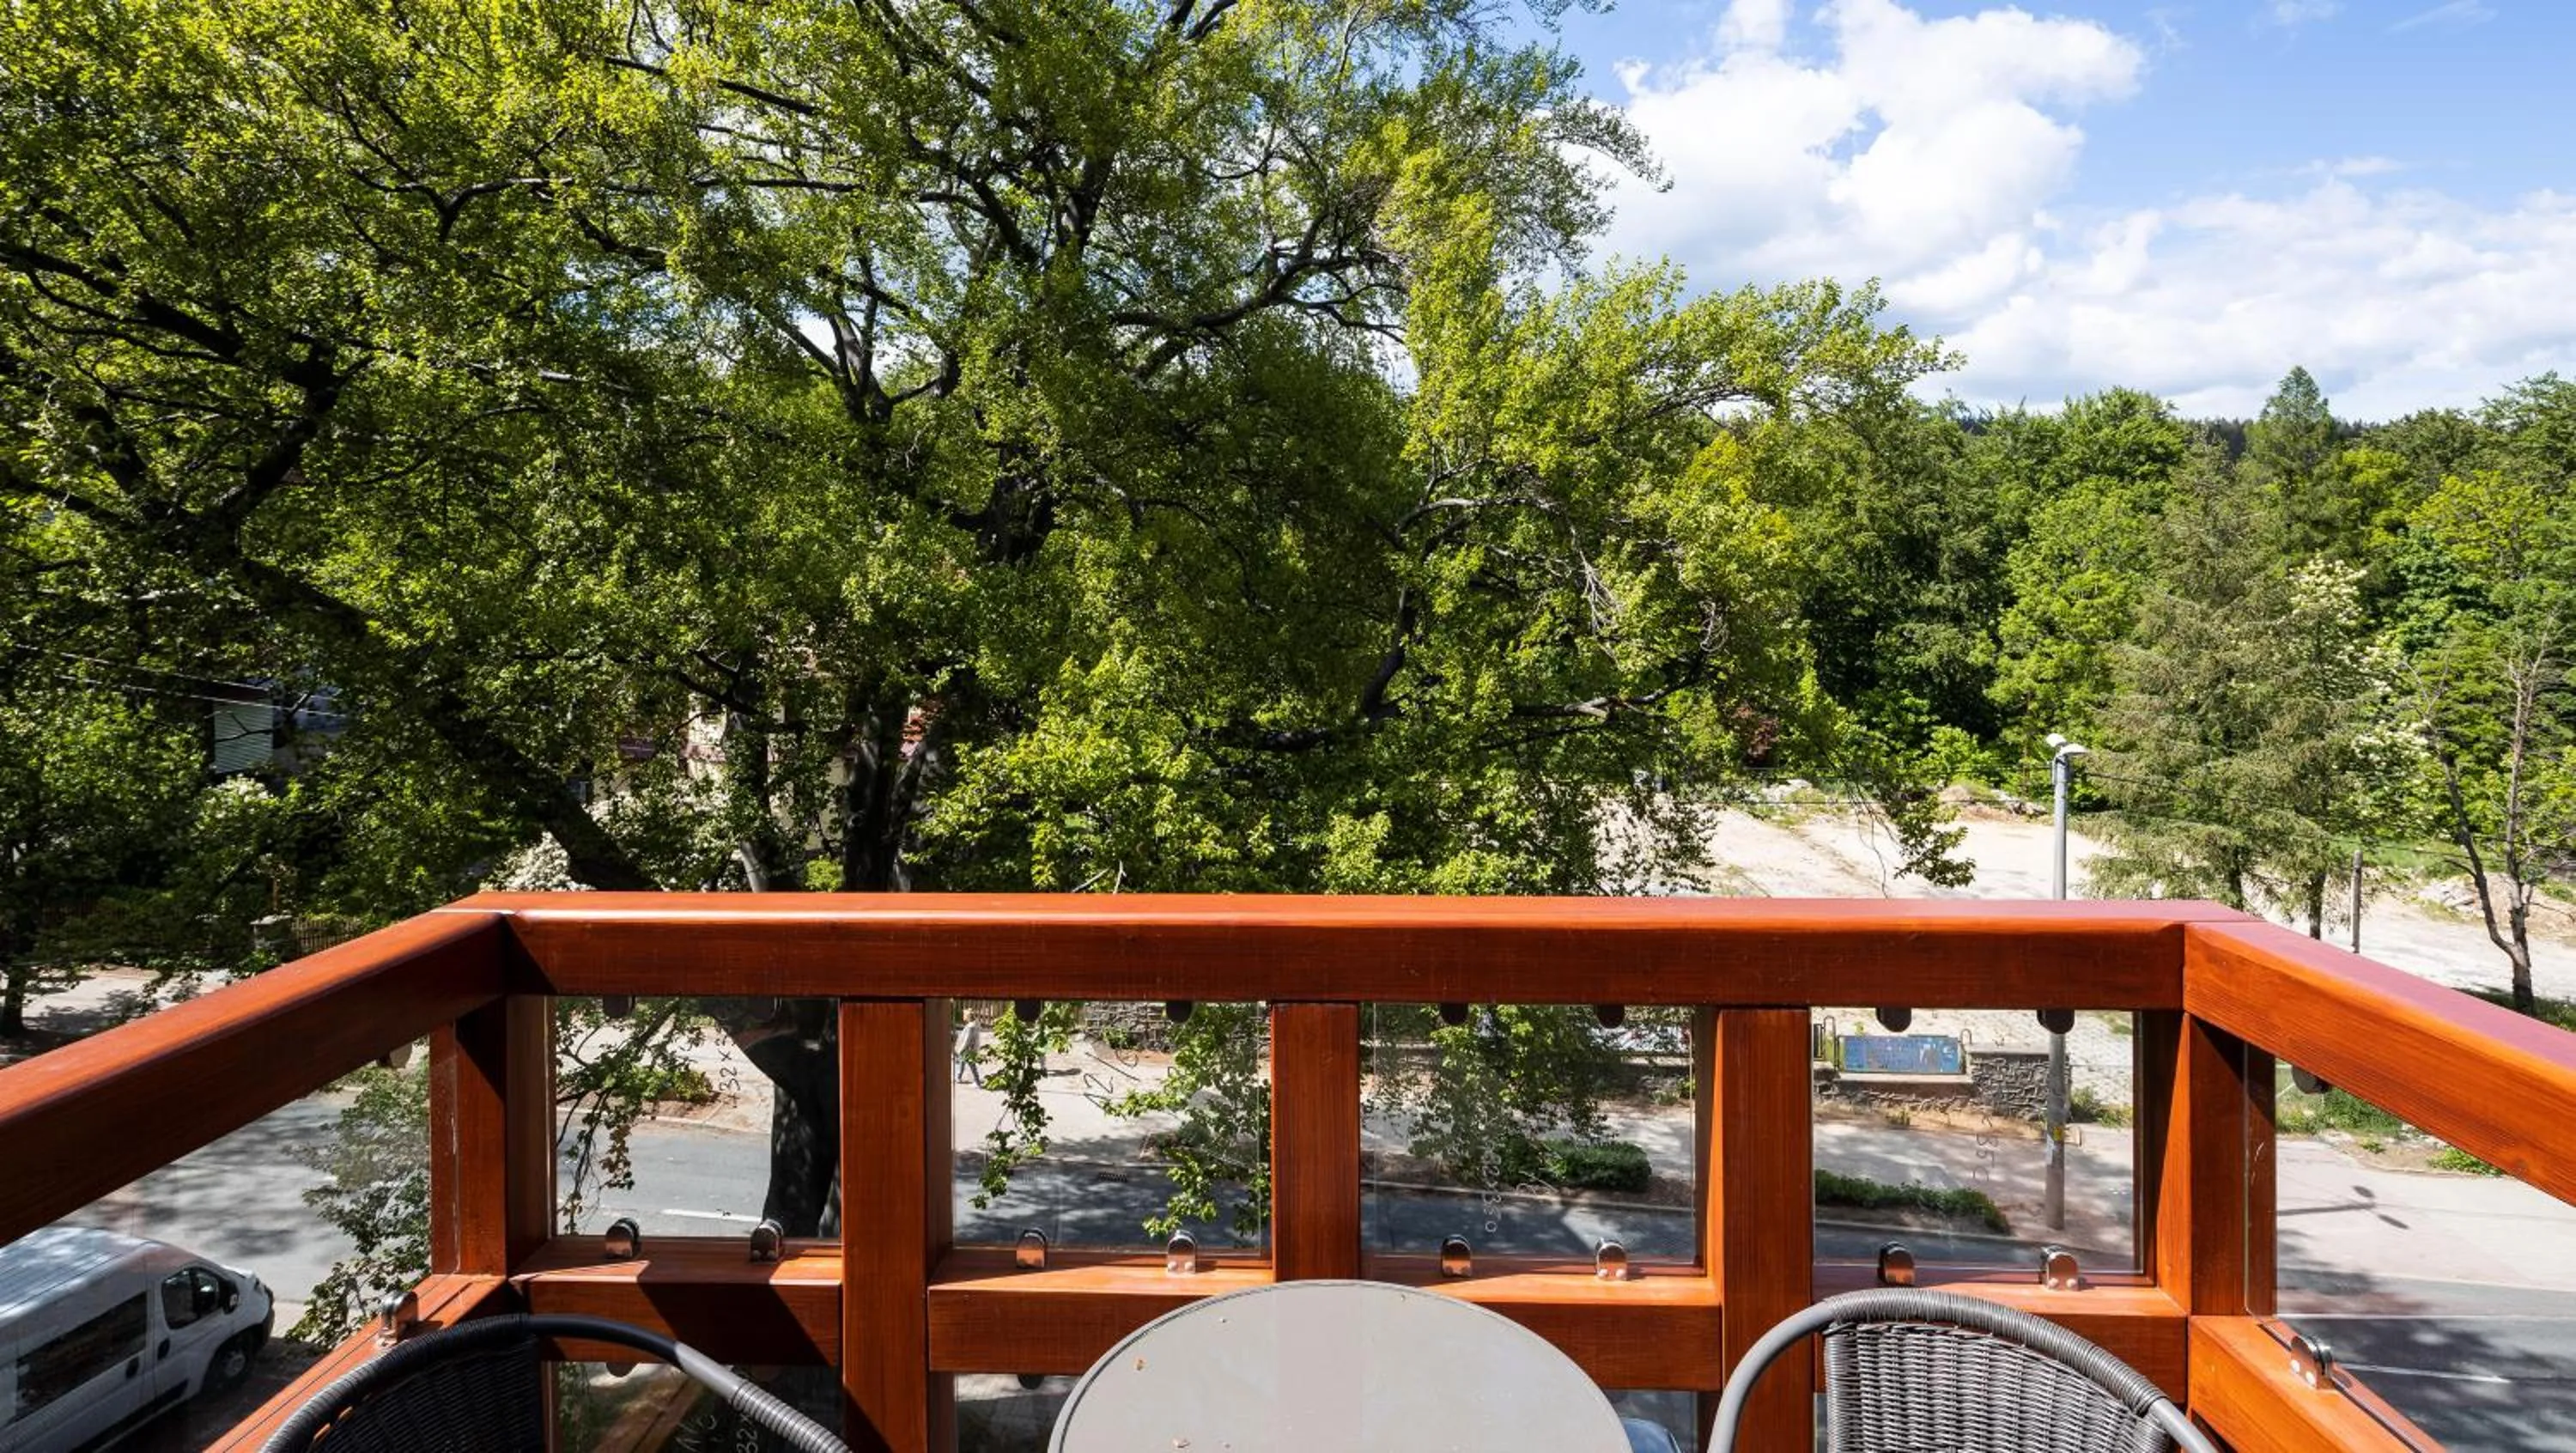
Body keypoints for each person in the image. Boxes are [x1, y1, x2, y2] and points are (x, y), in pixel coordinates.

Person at [954, 1008, 986, 1086]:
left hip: (969, 1048)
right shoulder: (975, 1024)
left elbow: (967, 1040)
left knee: (971, 1064)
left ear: (967, 1017)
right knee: (962, 1061)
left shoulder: (970, 1027)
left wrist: (961, 1049)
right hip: (972, 1048)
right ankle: (958, 1077)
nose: (963, 1017)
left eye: (964, 1015)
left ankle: (977, 1082)